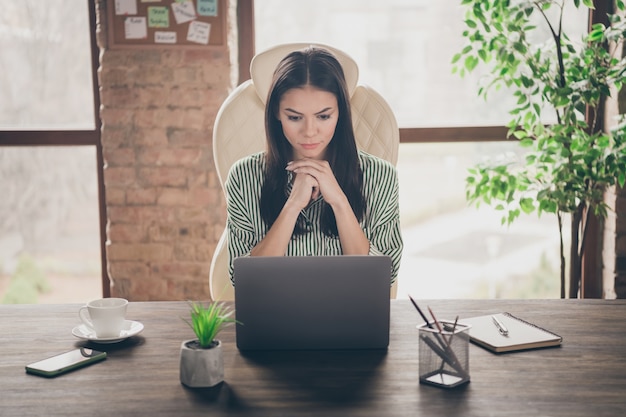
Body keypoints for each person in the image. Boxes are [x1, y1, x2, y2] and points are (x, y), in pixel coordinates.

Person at [225, 46, 403, 286]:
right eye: (294, 117)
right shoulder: (243, 176)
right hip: (273, 320)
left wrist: (339, 201)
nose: (309, 132)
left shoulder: (381, 176)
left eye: (323, 116)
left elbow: (382, 278)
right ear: (277, 112)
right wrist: (293, 206)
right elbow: (244, 281)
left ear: (340, 113)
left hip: (350, 320)